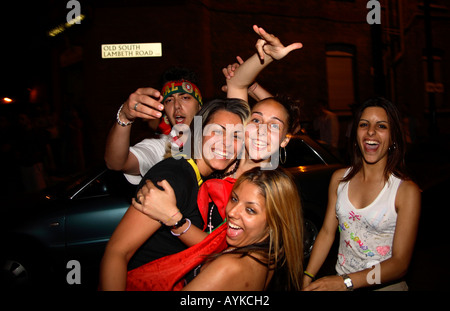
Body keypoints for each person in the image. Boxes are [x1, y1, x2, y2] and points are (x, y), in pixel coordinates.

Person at [132, 25, 302, 248]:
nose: (261, 130)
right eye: (256, 121)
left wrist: (174, 219)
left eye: (274, 127)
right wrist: (268, 56)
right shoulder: (223, 157)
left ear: (284, 139)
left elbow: (230, 251)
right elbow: (237, 82)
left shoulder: (272, 187)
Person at [99, 98, 251, 291]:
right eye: (217, 131)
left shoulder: (205, 178)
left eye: (236, 136)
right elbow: (117, 252)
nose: (226, 143)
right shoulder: (173, 177)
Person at [302, 97, 421, 291]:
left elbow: (400, 264)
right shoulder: (340, 179)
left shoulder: (405, 191)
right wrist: (308, 275)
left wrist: (346, 282)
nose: (371, 131)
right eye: (364, 124)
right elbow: (326, 233)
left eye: (381, 126)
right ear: (355, 133)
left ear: (393, 138)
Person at [129, 167, 304, 291]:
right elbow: (208, 243)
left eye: (250, 210)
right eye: (234, 199)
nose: (232, 212)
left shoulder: (229, 266)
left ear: (275, 221)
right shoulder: (268, 256)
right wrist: (173, 217)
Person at [104, 67, 203, 185]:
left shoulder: (216, 136)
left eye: (185, 97)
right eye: (169, 100)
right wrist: (124, 117)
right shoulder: (161, 147)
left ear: (199, 105)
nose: (177, 105)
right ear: (164, 109)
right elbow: (116, 163)